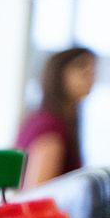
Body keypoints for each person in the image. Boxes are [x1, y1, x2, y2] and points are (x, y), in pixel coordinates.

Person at [17, 45, 96, 187]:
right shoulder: (50, 126)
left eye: (92, 72)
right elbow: (37, 191)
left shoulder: (46, 118)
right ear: (59, 74)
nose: (91, 79)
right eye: (83, 70)